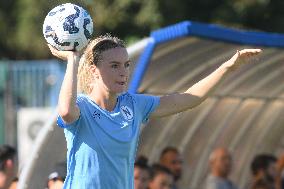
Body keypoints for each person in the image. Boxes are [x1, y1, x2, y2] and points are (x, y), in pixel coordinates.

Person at [48, 33, 262, 189]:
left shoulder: (133, 104)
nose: (123, 72)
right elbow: (66, 111)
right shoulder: (82, 107)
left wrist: (227, 68)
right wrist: (73, 59)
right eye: (114, 66)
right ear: (94, 71)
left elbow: (187, 99)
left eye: (126, 65)